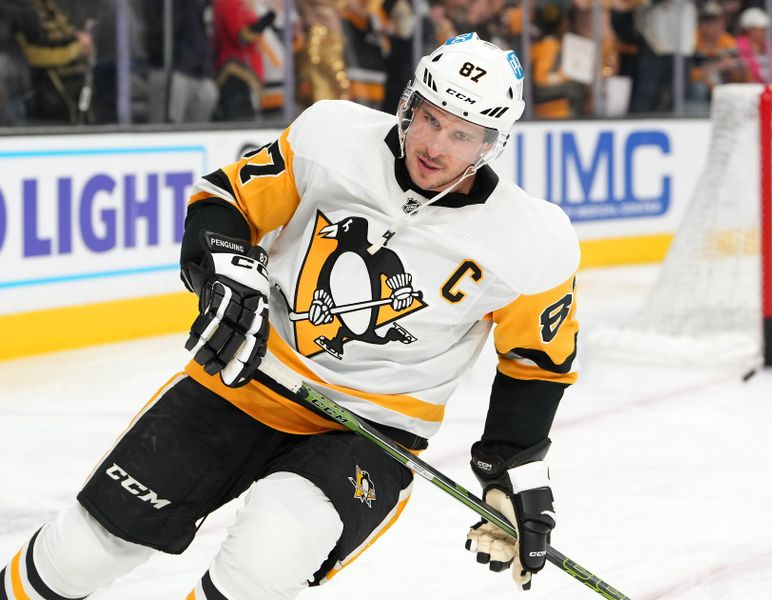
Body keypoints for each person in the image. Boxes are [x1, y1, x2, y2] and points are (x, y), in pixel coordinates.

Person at [1, 32, 580, 599]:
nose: (435, 146)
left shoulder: (531, 241)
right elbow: (226, 202)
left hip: (370, 429)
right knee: (80, 551)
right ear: (408, 104)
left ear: (491, 144)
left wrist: (509, 470)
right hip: (245, 378)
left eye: (461, 134)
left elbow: (537, 364)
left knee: (263, 561)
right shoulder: (332, 136)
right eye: (429, 119)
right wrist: (224, 267)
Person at [735, 6, 772, 85]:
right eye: (761, 29)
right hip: (749, 89)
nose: (764, 32)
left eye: (765, 29)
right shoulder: (738, 47)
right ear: (749, 29)